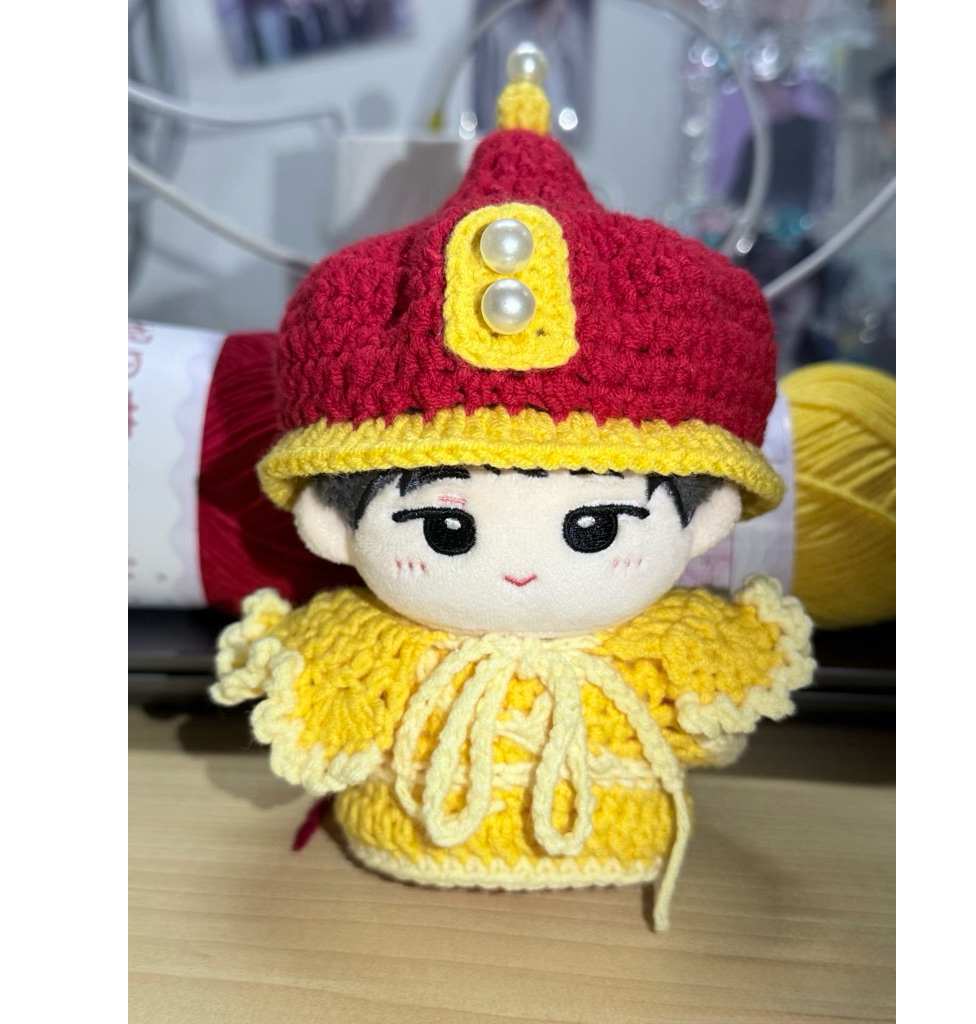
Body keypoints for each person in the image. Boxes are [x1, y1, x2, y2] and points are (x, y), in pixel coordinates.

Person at [210, 47, 814, 931]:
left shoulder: (672, 640)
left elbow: (711, 717)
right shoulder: (369, 639)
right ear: (330, 524)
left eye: (594, 528)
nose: (521, 572)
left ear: (706, 519)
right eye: (445, 531)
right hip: (395, 865)